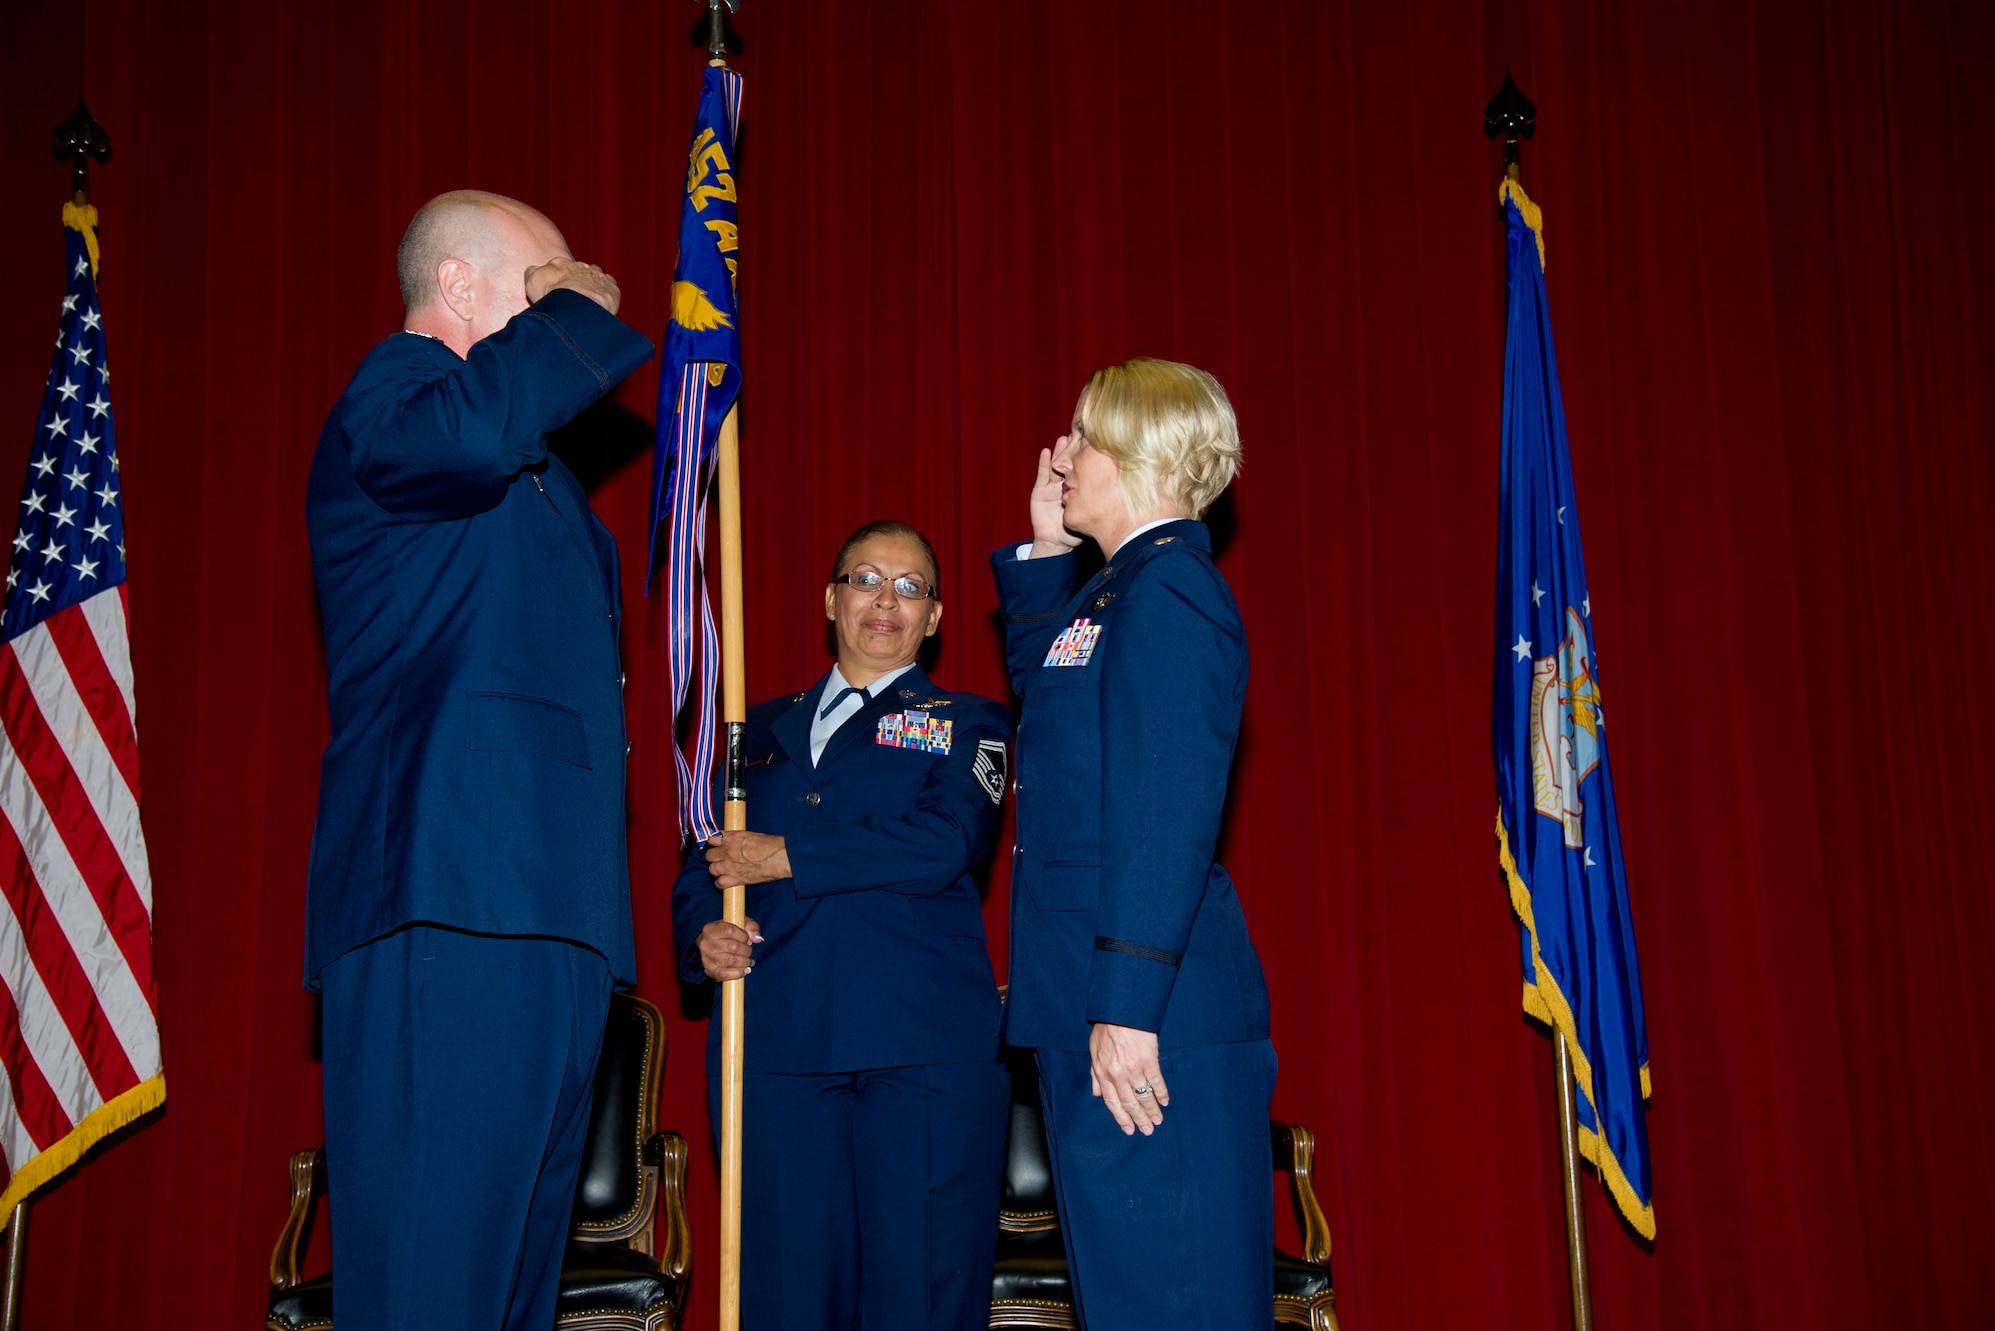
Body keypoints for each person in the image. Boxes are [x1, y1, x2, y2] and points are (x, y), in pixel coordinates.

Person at [305, 190, 655, 1331]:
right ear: (460, 290)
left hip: (552, 915)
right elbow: (466, 431)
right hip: (449, 902)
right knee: (428, 1287)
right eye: (544, 269)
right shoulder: (396, 395)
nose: (576, 278)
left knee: (509, 1298)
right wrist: (581, 310)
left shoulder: (546, 484)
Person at [990, 358, 1277, 1330]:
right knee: (1130, 1298)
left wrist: (1124, 1005)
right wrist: (1040, 548)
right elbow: (1058, 715)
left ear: (1146, 455)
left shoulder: (1172, 594)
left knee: (1175, 1296)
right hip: (1095, 1003)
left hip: (1146, 1016)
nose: (1062, 455)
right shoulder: (1117, 594)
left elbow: (1165, 813)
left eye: (1084, 435)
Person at [672, 520, 1012, 1331]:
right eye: (865, 579)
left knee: (920, 1299)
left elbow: (948, 838)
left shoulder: (970, 721)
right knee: (784, 1297)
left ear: (934, 617)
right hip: (778, 1048)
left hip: (922, 1051)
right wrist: (701, 936)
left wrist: (790, 856)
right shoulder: (749, 733)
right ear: (831, 600)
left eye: (910, 586)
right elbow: (700, 861)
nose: (885, 601)